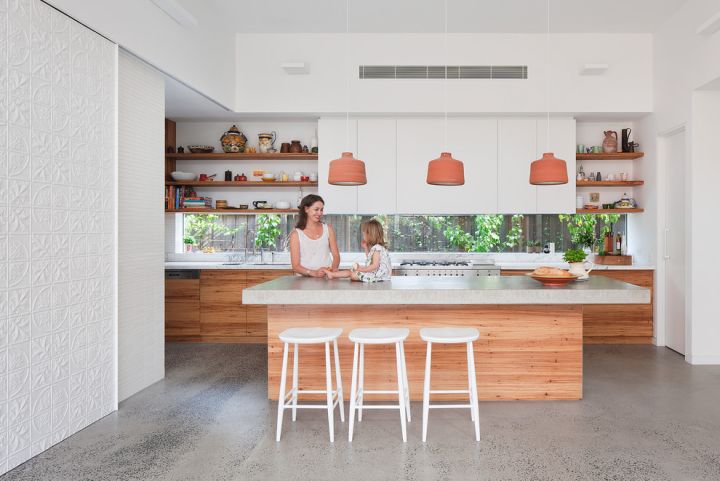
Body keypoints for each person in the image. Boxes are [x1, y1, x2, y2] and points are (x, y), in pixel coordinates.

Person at [289, 194, 340, 277]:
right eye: (316, 209)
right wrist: (313, 273)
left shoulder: (328, 229)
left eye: (321, 210)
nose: (320, 213)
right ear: (306, 209)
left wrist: (333, 271)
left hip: (326, 278)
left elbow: (336, 256)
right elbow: (296, 266)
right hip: (304, 280)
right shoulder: (296, 234)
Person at [326, 219, 391, 282]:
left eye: (364, 234)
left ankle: (332, 274)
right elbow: (370, 258)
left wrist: (361, 269)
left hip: (377, 276)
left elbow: (374, 265)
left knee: (352, 274)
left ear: (370, 235)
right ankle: (332, 274)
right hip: (378, 276)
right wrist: (365, 248)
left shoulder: (377, 248)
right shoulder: (378, 248)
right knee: (351, 272)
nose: (363, 236)